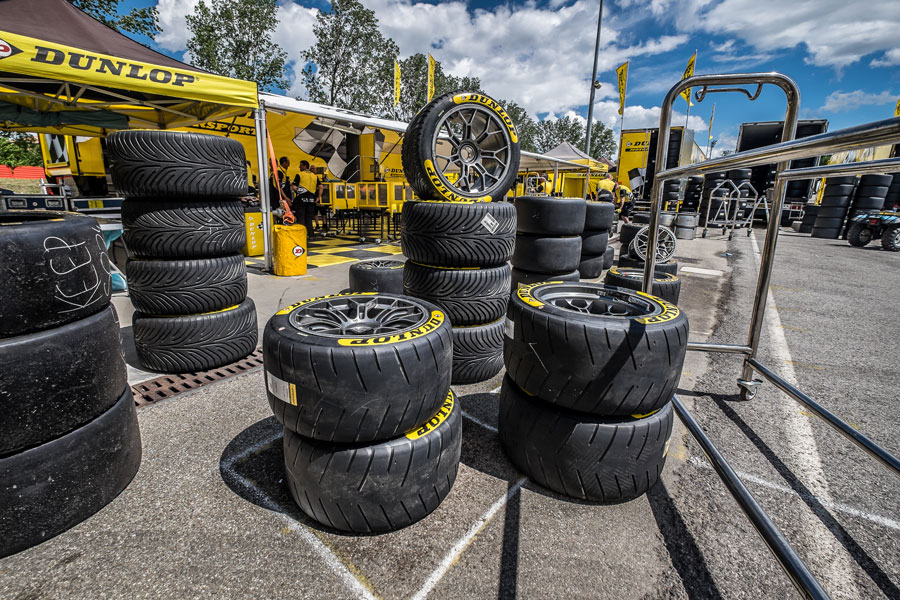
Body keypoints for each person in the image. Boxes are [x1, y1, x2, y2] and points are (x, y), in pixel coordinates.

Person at [293, 160, 319, 238]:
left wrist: (298, 191)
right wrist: (318, 197)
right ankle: (311, 235)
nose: (299, 167)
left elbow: (294, 187)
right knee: (309, 218)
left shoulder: (299, 174)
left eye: (300, 165)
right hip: (311, 200)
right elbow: (321, 187)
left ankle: (302, 236)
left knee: (301, 218)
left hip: (301, 200)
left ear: (304, 166)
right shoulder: (315, 176)